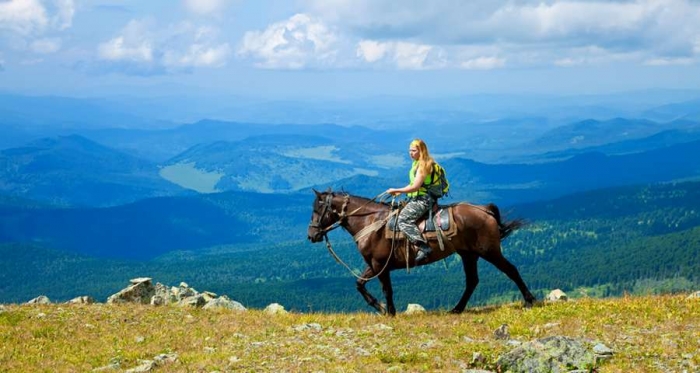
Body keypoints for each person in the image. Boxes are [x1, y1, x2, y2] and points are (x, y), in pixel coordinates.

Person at [385, 138, 437, 263]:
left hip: (423, 199)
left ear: (421, 151)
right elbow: (413, 184)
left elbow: (415, 186)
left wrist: (398, 189)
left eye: (413, 150)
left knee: (402, 220)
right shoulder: (417, 163)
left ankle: (422, 247)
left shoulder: (423, 165)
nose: (410, 153)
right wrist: (399, 191)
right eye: (409, 150)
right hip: (417, 197)